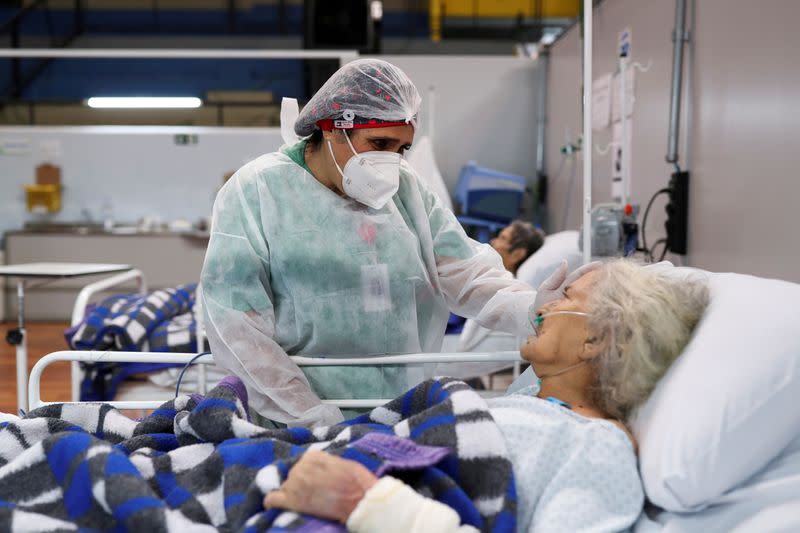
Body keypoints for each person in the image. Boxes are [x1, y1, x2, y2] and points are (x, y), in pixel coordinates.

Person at [201, 59, 584, 428]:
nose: (391, 162)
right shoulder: (258, 192)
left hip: (399, 411)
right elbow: (236, 325)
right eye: (379, 142)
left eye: (401, 149)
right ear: (333, 128)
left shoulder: (407, 192)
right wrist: (311, 419)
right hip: (292, 421)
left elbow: (466, 273)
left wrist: (529, 306)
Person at [263, 259, 711, 532]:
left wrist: (368, 504)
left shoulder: (597, 447)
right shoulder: (524, 403)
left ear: (596, 340)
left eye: (565, 298)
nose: (544, 306)